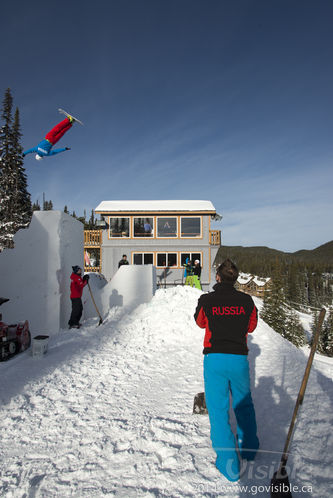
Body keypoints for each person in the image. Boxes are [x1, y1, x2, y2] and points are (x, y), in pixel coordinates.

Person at [194, 258, 259, 481]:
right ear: (236, 278)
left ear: (218, 278)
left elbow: (200, 322)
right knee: (243, 402)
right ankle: (249, 448)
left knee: (218, 409)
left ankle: (229, 465)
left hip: (215, 359)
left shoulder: (207, 299)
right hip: (239, 358)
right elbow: (251, 326)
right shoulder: (247, 301)